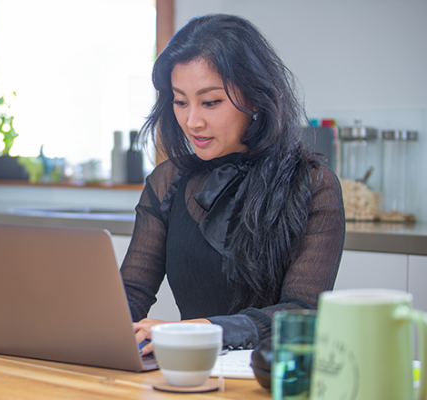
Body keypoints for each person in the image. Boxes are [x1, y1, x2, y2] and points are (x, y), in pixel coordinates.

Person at [120, 14, 345, 356]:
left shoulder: (313, 184)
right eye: (180, 102)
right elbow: (132, 292)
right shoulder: (168, 181)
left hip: (272, 378)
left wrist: (187, 331)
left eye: (210, 102)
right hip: (191, 373)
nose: (192, 122)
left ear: (254, 99)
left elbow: (300, 312)